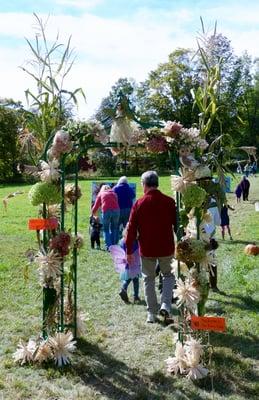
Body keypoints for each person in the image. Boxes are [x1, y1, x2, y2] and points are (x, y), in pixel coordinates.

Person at [125, 171, 177, 323]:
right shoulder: (169, 201)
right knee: (168, 276)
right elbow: (177, 225)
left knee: (149, 279)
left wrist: (129, 250)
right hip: (166, 247)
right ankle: (166, 305)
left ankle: (151, 313)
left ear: (144, 184)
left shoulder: (139, 204)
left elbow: (131, 230)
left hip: (147, 248)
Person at [91, 185, 120, 249]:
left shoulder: (101, 193)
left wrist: (92, 214)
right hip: (117, 211)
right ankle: (114, 245)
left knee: (106, 229)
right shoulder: (114, 194)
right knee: (114, 228)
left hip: (107, 211)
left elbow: (96, 206)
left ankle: (109, 246)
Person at [118, 226, 141, 304]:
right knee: (135, 280)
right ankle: (136, 296)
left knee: (127, 279)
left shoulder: (122, 241)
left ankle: (123, 288)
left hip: (125, 264)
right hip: (134, 264)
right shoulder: (135, 242)